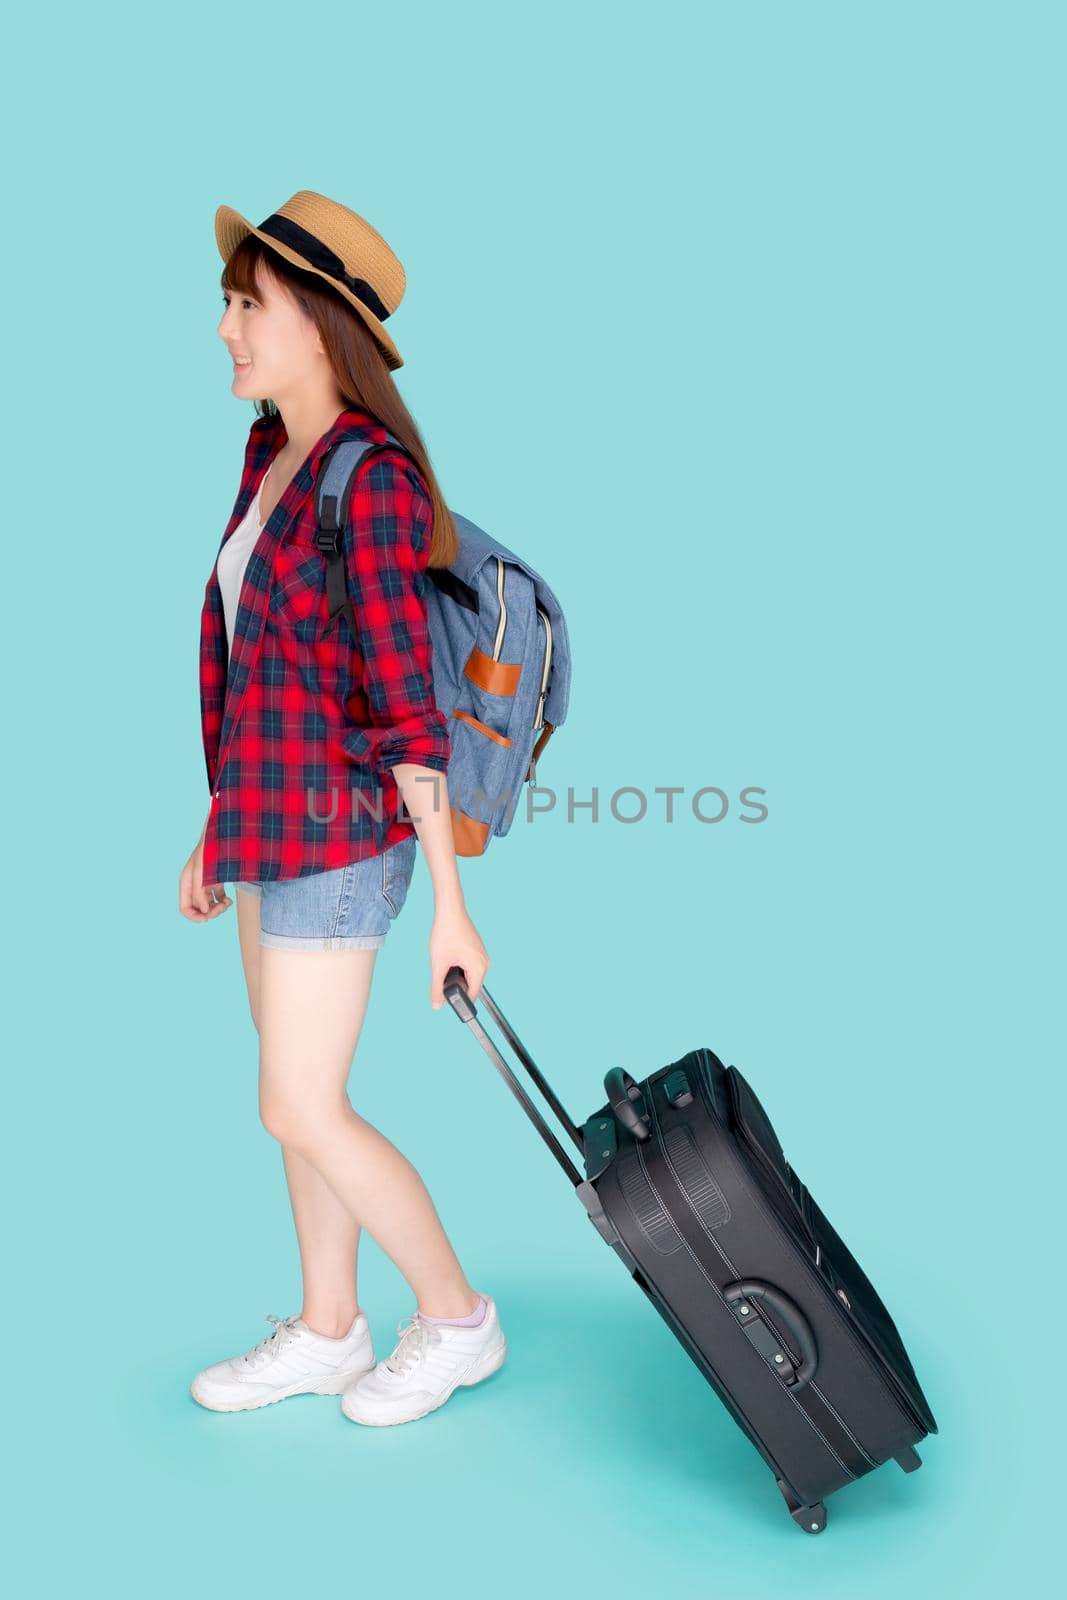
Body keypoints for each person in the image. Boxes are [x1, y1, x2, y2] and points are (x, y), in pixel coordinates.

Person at [179, 191, 505, 1427]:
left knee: (296, 1099)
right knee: (287, 1090)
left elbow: (405, 709)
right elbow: (264, 669)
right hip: (268, 824)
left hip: (342, 840)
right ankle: (328, 1326)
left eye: (246, 305)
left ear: (318, 325)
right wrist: (216, 821)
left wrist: (452, 911)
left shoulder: (366, 481)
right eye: (226, 303)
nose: (224, 328)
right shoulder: (271, 456)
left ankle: (458, 1317)